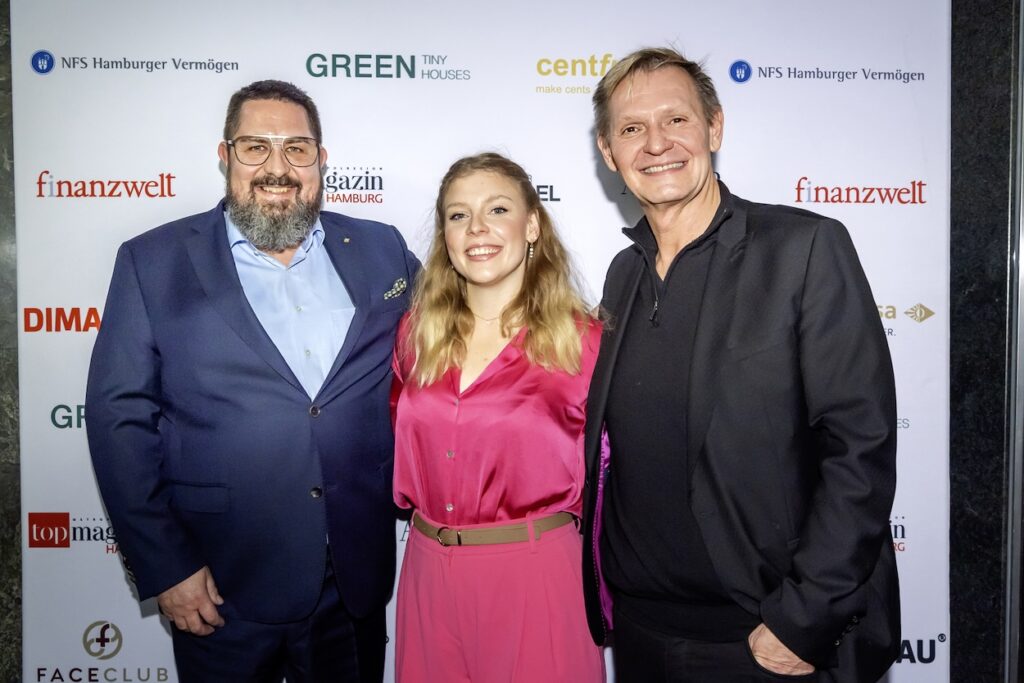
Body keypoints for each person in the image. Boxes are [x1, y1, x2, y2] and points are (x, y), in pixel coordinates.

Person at [580, 48, 901, 682]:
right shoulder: (623, 274)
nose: (656, 144)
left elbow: (859, 447)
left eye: (676, 119)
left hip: (760, 641)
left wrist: (803, 621)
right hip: (640, 634)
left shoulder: (803, 249)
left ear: (715, 127)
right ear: (608, 152)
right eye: (632, 128)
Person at [85, 79, 419, 682]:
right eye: (256, 147)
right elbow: (119, 420)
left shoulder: (380, 248)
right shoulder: (152, 261)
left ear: (320, 160)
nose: (277, 167)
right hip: (219, 585)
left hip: (352, 580)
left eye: (297, 148)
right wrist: (166, 566)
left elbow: (458, 331)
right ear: (225, 156)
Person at [390, 153, 605, 682]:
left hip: (535, 575)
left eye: (497, 209)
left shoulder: (584, 343)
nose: (476, 228)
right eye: (458, 215)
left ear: (532, 225)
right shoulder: (416, 335)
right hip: (426, 573)